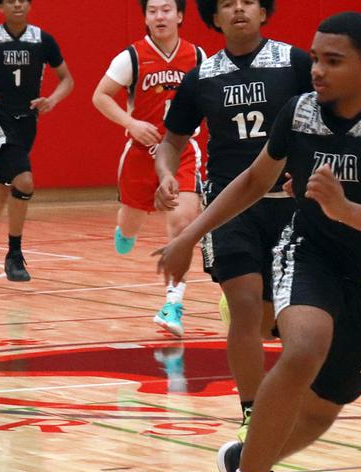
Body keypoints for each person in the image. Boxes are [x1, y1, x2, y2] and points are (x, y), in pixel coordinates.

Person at [155, 12, 361, 472]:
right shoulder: (299, 112)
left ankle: (245, 459)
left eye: (333, 61)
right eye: (315, 58)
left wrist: (345, 208)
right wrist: (188, 235)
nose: (318, 70)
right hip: (307, 255)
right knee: (303, 345)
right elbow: (254, 180)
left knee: (326, 406)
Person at [155, 0, 311, 463]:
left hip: (292, 209)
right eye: (227, 3)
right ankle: (251, 411)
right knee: (244, 307)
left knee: (278, 322)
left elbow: (331, 116)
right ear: (213, 18)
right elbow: (171, 140)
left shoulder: (296, 63)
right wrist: (168, 173)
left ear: (265, 12)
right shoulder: (202, 77)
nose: (238, 9)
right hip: (230, 208)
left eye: (248, 1)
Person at [91, 0, 205, 336]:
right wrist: (131, 122)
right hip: (142, 153)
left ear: (180, 15)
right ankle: (124, 231)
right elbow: (100, 96)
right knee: (129, 224)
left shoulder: (199, 58)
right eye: (153, 10)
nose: (160, 16)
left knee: (182, 222)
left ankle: (173, 302)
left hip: (182, 152)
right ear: (145, 17)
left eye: (166, 9)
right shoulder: (132, 57)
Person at [0, 0, 74, 282]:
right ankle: (14, 252)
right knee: (24, 181)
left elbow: (66, 79)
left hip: (28, 122)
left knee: (3, 184)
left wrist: (52, 100)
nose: (18, 5)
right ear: (0, 7)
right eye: (11, 1)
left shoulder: (42, 40)